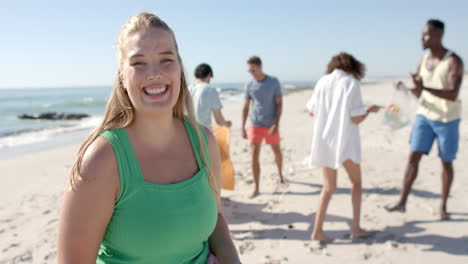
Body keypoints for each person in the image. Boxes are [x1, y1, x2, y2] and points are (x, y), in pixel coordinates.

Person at [57, 13, 241, 264]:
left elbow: (217, 221)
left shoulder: (204, 142)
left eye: (166, 59)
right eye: (138, 63)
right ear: (121, 74)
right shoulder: (102, 160)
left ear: (179, 67)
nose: (154, 73)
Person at [385, 19, 464, 220]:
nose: (422, 38)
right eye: (422, 34)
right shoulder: (423, 60)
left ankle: (443, 206)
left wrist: (424, 89)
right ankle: (402, 202)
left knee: (446, 161)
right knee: (413, 157)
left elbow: (452, 94)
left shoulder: (453, 61)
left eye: (426, 34)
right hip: (424, 116)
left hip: (447, 119)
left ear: (439, 36)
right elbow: (419, 93)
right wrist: (406, 89)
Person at [305, 52, 380, 242]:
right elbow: (356, 118)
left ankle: (317, 231)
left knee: (328, 188)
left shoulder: (322, 82)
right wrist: (369, 110)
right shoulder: (351, 83)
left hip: (325, 143)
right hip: (345, 143)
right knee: (356, 183)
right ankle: (356, 228)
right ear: (352, 66)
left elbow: (312, 112)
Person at [241, 56, 284, 198]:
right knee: (254, 155)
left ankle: (280, 174)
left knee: (276, 152)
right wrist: (242, 126)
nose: (251, 72)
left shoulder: (273, 82)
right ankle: (256, 187)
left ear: (259, 66)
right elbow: (246, 106)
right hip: (255, 124)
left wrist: (276, 124)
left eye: (252, 69)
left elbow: (279, 104)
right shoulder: (249, 85)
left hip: (271, 125)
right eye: (249, 70)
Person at [189, 63, 231, 130]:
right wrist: (227, 124)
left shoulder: (187, 89)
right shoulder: (210, 90)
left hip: (186, 132)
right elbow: (219, 121)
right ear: (209, 74)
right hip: (203, 133)